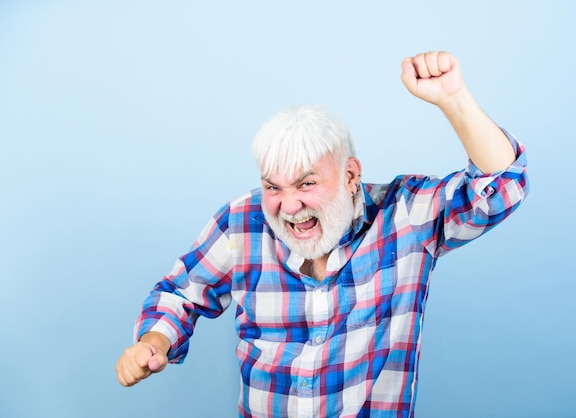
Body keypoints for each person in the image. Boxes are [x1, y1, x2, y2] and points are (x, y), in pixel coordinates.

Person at [116, 51, 529, 417]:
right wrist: (154, 341)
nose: (289, 206)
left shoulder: (405, 215)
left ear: (351, 175)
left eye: (306, 184)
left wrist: (454, 100)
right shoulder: (241, 222)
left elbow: (501, 186)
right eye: (273, 187)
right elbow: (181, 293)